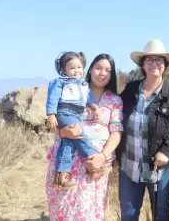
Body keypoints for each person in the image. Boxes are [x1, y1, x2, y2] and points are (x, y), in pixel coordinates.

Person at [116, 39, 169, 221]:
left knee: (160, 212)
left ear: (165, 65)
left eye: (159, 60)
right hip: (130, 164)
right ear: (143, 64)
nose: (154, 64)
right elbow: (115, 116)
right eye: (149, 59)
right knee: (129, 214)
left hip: (160, 168)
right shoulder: (131, 89)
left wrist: (166, 150)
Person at [46, 53, 123, 221]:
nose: (102, 73)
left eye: (107, 70)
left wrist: (101, 157)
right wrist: (62, 132)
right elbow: (50, 123)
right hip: (69, 163)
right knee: (63, 211)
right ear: (90, 69)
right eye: (98, 68)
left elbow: (116, 132)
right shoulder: (71, 88)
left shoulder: (114, 100)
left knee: (89, 213)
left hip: (95, 165)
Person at [46, 51, 101, 189]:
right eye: (72, 68)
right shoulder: (61, 82)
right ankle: (92, 160)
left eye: (79, 67)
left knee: (68, 142)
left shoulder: (83, 85)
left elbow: (90, 99)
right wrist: (51, 114)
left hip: (77, 114)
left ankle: (61, 176)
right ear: (64, 70)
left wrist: (95, 108)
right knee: (79, 133)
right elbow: (53, 98)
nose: (76, 71)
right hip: (65, 112)